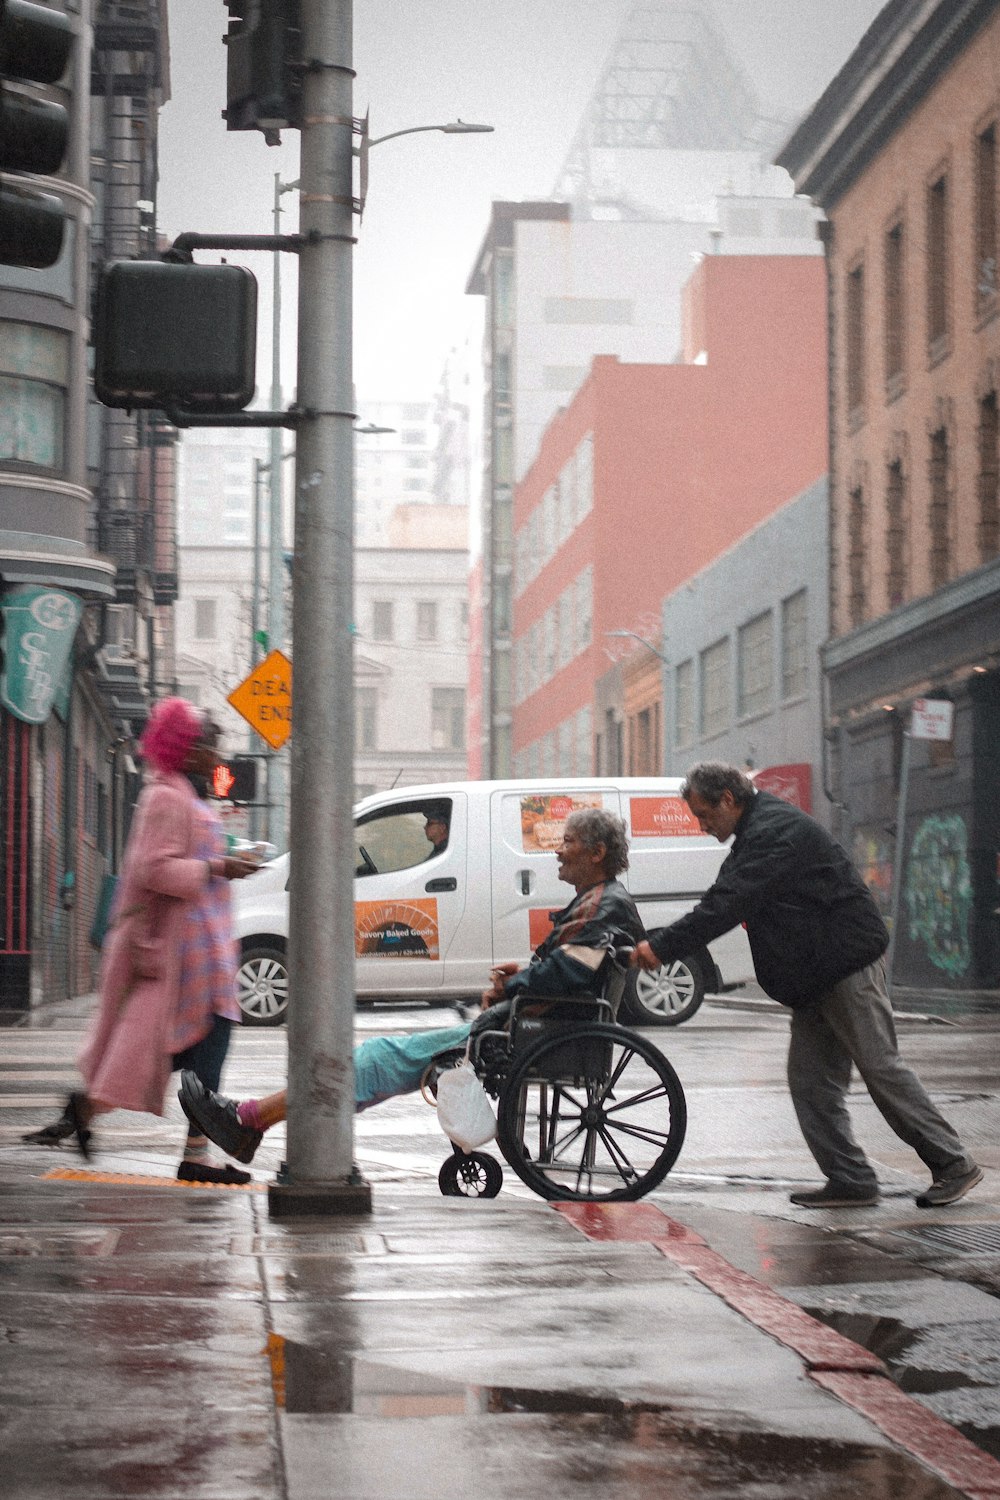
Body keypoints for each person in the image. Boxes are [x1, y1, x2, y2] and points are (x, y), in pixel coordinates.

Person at [176, 807, 645, 1164]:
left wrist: (516, 984)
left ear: (596, 853)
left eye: (567, 843)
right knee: (376, 1059)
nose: (557, 851)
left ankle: (249, 1119)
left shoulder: (602, 905)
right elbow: (571, 966)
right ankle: (252, 1120)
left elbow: (570, 970)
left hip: (529, 1031)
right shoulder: (601, 902)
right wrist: (519, 977)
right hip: (529, 1023)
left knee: (376, 1060)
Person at [632, 761, 982, 1210]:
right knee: (812, 1083)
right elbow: (724, 898)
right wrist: (662, 943)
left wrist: (661, 948)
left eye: (704, 814)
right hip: (816, 972)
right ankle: (851, 1178)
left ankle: (953, 1164)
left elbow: (725, 903)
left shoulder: (774, 833)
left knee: (880, 1067)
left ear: (728, 799)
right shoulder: (756, 833)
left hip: (845, 965)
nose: (702, 826)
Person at [25, 698, 262, 1183]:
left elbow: (188, 855)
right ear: (185, 748)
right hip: (184, 950)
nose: (216, 755)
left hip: (204, 946)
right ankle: (193, 1156)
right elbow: (151, 869)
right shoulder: (165, 797)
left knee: (176, 1052)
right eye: (207, 745)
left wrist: (231, 856)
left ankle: (87, 1111)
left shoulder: (184, 794)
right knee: (198, 1052)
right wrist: (218, 866)